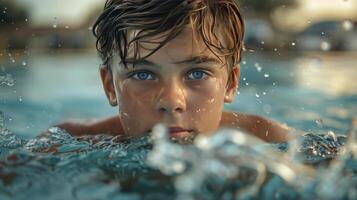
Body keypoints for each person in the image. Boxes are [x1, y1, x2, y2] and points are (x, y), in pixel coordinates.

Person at [54, 0, 292, 142]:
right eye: (143, 74)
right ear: (110, 86)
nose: (171, 101)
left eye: (197, 73)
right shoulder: (69, 143)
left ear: (230, 83)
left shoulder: (271, 141)